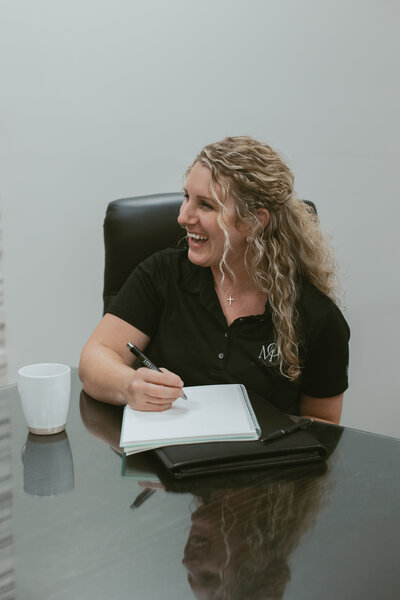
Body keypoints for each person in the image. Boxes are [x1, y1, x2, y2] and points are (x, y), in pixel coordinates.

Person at [79, 136, 349, 422]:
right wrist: (128, 385)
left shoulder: (316, 315)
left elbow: (323, 429)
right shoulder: (161, 274)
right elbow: (95, 359)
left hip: (260, 465)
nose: (183, 216)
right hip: (165, 462)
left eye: (206, 205)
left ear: (253, 221)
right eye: (187, 197)